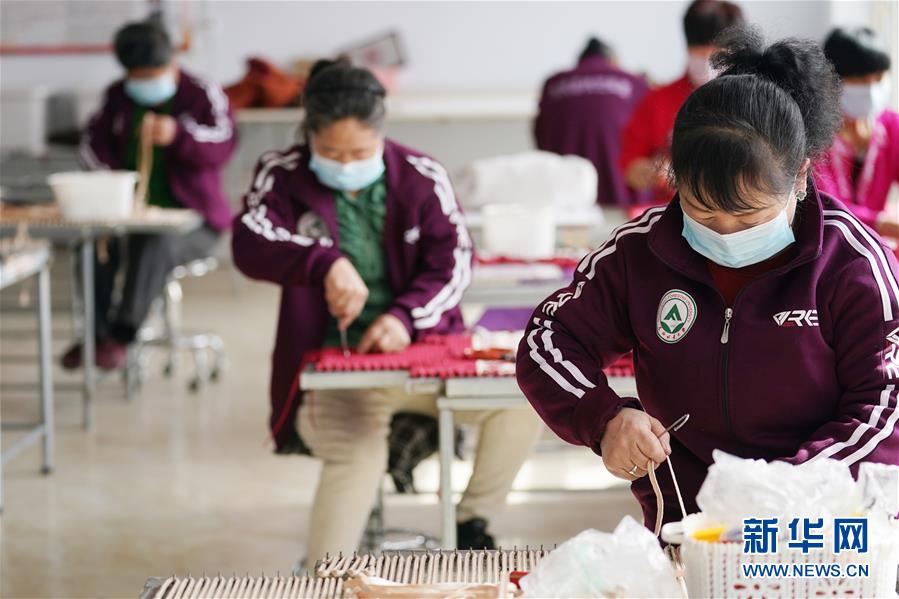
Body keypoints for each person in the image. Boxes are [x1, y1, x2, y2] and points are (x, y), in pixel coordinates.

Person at [517, 27, 899, 530]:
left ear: (801, 178)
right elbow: (549, 338)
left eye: (749, 216)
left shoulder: (850, 263)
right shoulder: (641, 251)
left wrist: (785, 488)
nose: (724, 232)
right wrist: (604, 417)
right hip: (688, 527)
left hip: (819, 522)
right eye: (703, 211)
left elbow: (885, 405)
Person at [231, 61, 542, 562]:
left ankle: (472, 522)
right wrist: (323, 262)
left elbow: (455, 262)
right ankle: (327, 578)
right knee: (358, 453)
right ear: (309, 135)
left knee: (523, 398)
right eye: (331, 153)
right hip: (335, 369)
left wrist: (404, 317)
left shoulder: (421, 177)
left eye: (359, 153)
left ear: (381, 134)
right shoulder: (282, 175)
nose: (345, 165)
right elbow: (250, 241)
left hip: (418, 358)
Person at [67, 18, 236, 370]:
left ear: (173, 61)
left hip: (194, 223)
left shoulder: (201, 94)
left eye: (154, 75)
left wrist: (179, 136)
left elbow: (223, 143)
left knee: (155, 242)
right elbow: (91, 144)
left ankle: (122, 334)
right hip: (128, 217)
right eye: (138, 78)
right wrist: (111, 181)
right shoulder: (117, 97)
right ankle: (95, 335)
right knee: (93, 246)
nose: (146, 85)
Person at [619, 0, 743, 210]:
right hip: (674, 212)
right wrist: (651, 171)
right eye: (698, 53)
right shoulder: (658, 100)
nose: (706, 61)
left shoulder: (751, 101)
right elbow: (630, 165)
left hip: (736, 212)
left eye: (716, 55)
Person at [534, 37, 648, 206]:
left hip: (566, 203)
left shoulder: (553, 84)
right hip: (622, 201)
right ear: (613, 61)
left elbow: (540, 138)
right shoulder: (635, 83)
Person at [815, 27, 899, 240]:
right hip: (828, 247)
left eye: (878, 77)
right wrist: (882, 223)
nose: (871, 88)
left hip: (877, 246)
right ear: (831, 80)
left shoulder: (890, 125)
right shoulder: (815, 134)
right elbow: (825, 206)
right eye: (860, 79)